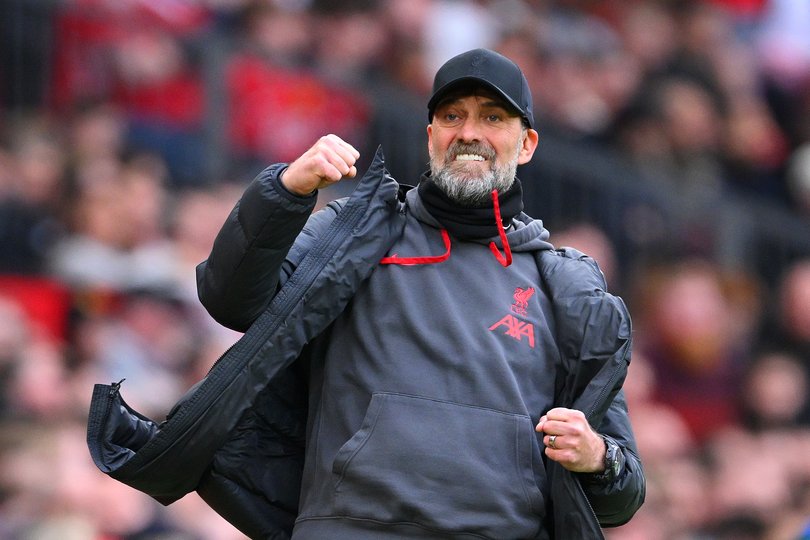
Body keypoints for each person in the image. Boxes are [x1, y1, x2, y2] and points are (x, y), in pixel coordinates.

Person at [87, 48, 644, 539]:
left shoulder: (565, 286)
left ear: (526, 145)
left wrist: (596, 457)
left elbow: (622, 496)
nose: (469, 132)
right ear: (431, 137)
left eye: (492, 118)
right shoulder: (356, 230)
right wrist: (284, 191)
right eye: (452, 116)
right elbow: (228, 299)